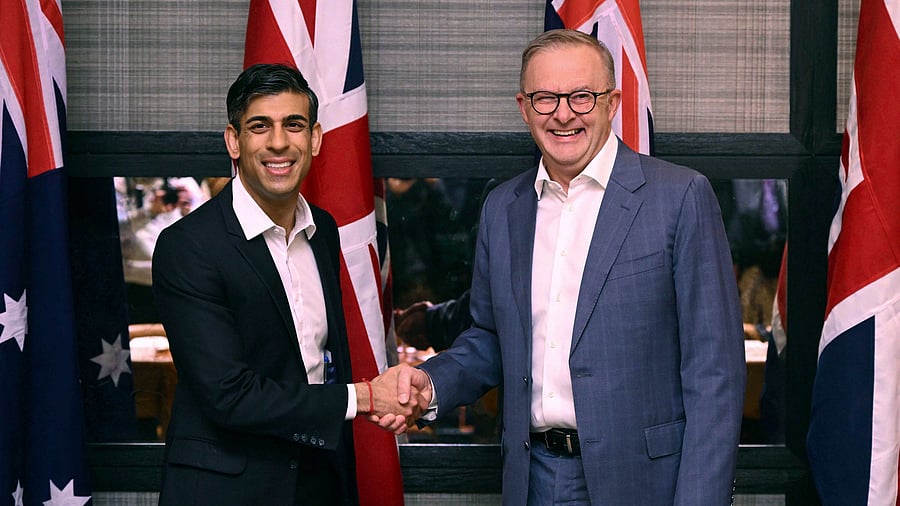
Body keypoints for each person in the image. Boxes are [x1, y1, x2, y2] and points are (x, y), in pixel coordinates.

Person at [375, 29, 747, 505]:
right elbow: (489, 336)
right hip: (533, 478)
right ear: (524, 107)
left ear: (612, 102)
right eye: (545, 98)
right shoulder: (503, 207)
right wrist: (430, 383)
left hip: (643, 483)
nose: (564, 113)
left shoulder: (679, 198)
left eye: (582, 96)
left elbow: (714, 373)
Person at [152, 63, 416, 506]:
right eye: (260, 126)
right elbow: (228, 395)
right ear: (234, 141)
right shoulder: (189, 247)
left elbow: (320, 361)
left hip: (319, 480)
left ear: (313, 138)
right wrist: (365, 398)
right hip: (228, 490)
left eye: (293, 125)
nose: (279, 142)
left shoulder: (324, 231)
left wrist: (386, 398)